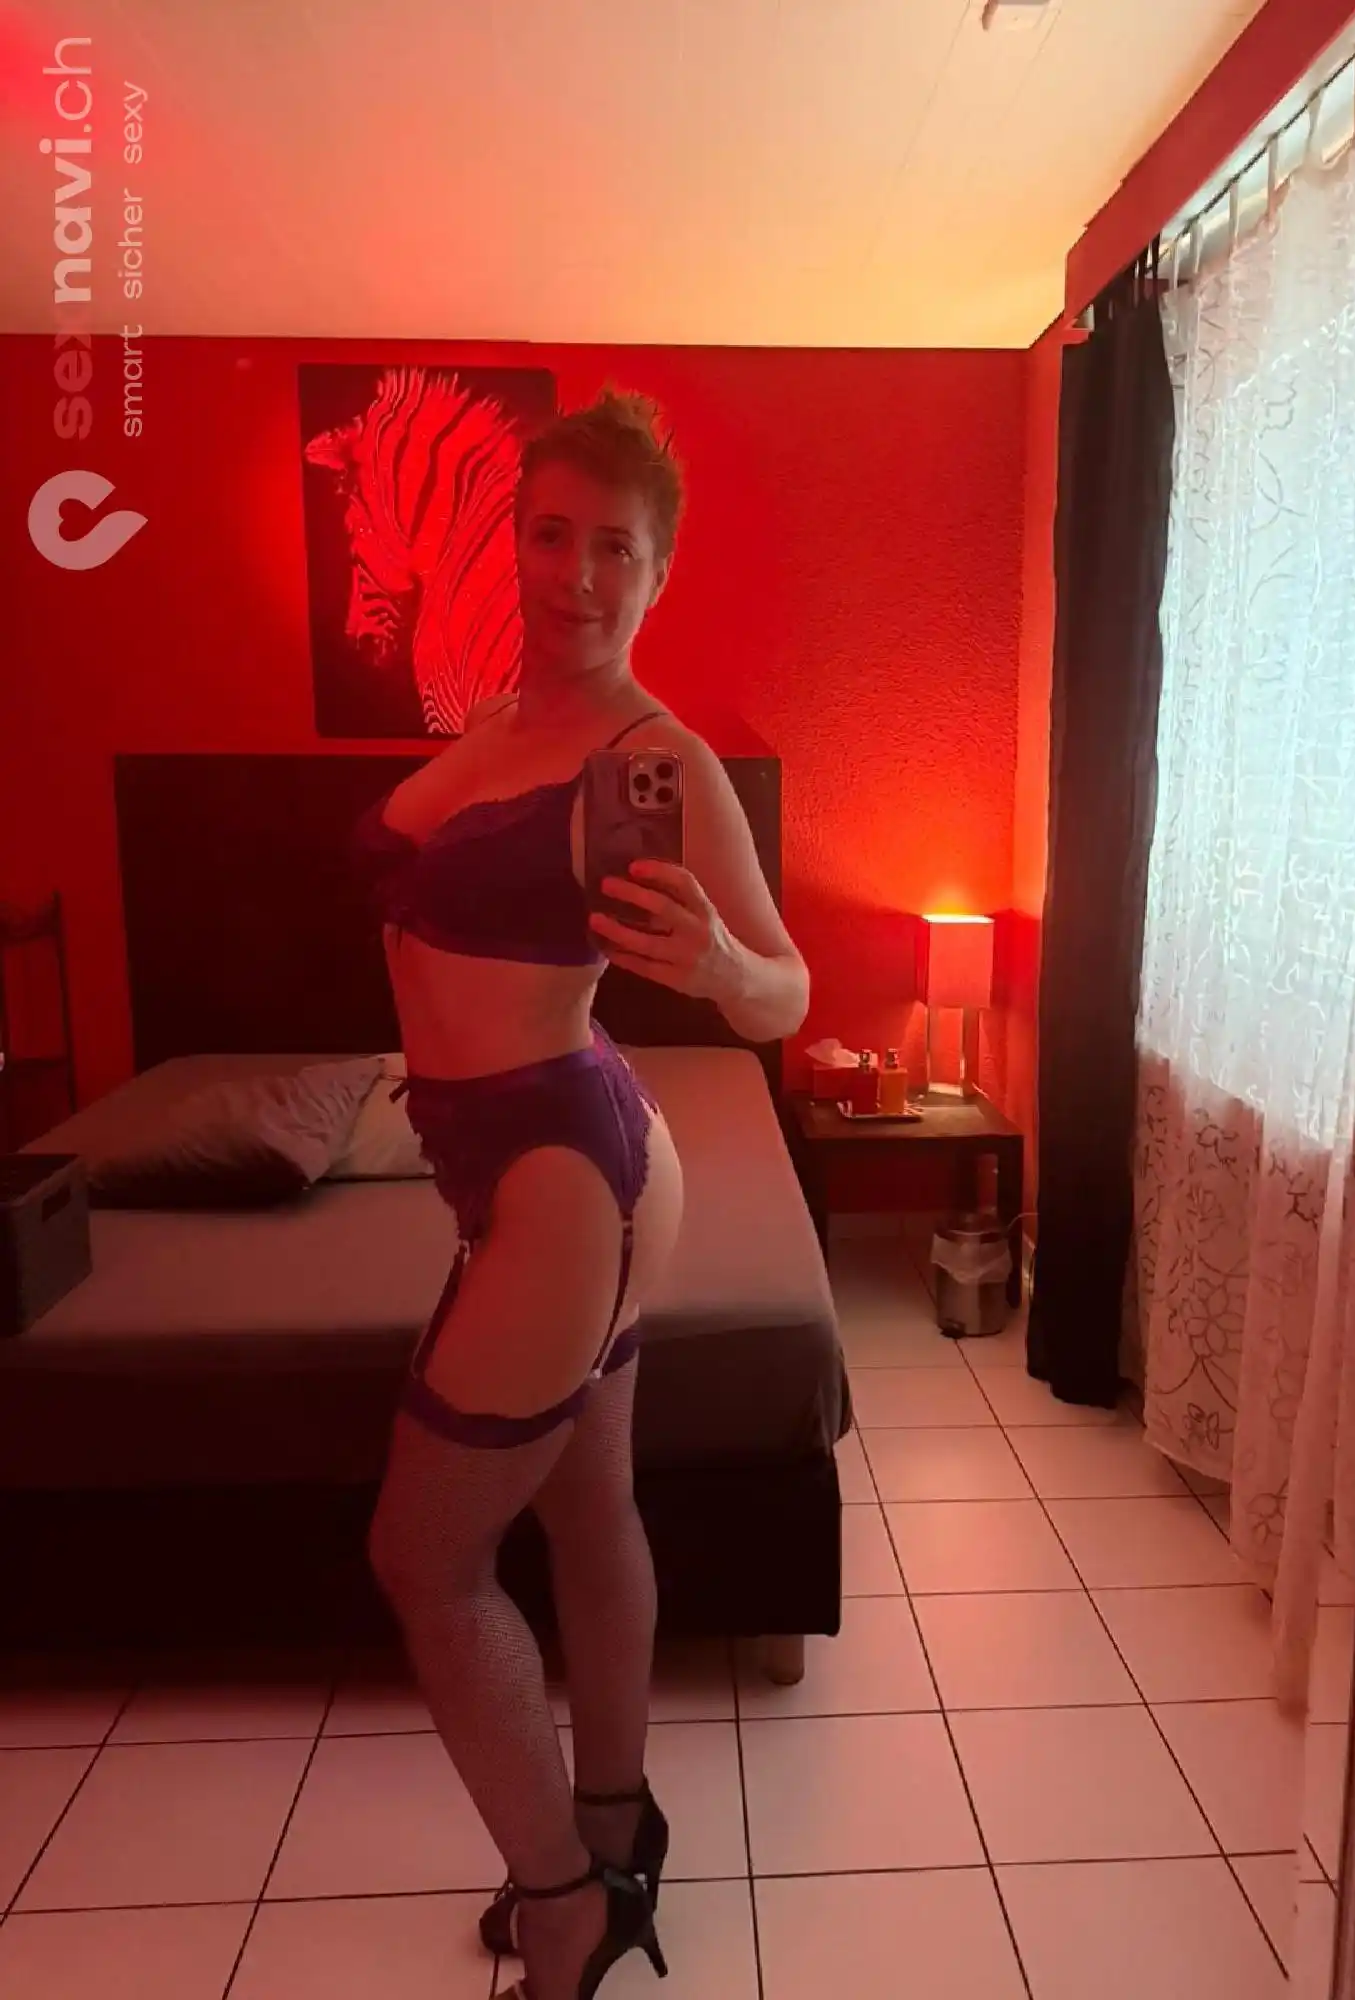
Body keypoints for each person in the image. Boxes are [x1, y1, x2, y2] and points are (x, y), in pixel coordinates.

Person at [360, 389, 809, 2000]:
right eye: (551, 535)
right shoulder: (501, 722)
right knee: (584, 1501)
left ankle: (563, 1904)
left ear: (658, 571)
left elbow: (788, 990)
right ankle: (616, 1834)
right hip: (544, 1161)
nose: (577, 574)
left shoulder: (654, 756)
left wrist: (722, 964)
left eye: (615, 547)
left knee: (423, 1561)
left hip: (563, 1168)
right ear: (515, 544)